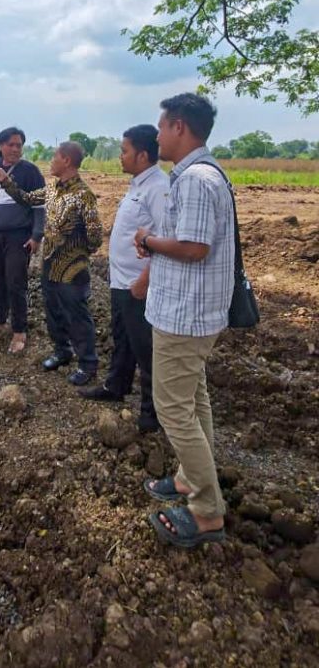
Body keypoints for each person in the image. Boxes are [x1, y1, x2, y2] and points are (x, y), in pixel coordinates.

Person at [135, 93, 233, 549]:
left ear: (178, 127)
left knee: (174, 408)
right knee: (194, 400)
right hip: (195, 313)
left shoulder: (194, 179)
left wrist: (149, 240)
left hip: (184, 315)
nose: (156, 136)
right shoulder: (208, 173)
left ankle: (207, 510)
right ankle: (190, 477)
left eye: (161, 127)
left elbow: (195, 247)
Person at [0, 141, 102, 384]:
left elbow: (95, 237)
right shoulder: (51, 189)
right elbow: (27, 199)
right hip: (49, 264)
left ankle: (87, 364)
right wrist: (5, 181)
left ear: (67, 161)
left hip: (72, 269)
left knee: (77, 315)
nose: (51, 161)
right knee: (53, 311)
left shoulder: (83, 196)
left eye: (54, 157)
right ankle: (62, 351)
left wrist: (76, 252)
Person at [79, 125, 168, 433]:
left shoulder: (158, 188)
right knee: (123, 338)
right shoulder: (138, 184)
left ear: (142, 155)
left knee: (145, 347)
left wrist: (145, 279)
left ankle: (152, 413)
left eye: (124, 150)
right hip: (121, 281)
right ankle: (116, 385)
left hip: (138, 285)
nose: (120, 156)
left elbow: (165, 238)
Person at [0, 127, 45, 354]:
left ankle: (19, 330)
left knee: (16, 282)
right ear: (0, 146)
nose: (15, 149)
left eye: (19, 145)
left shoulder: (30, 172)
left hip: (19, 236)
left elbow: (39, 206)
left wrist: (36, 235)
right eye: (11, 144)